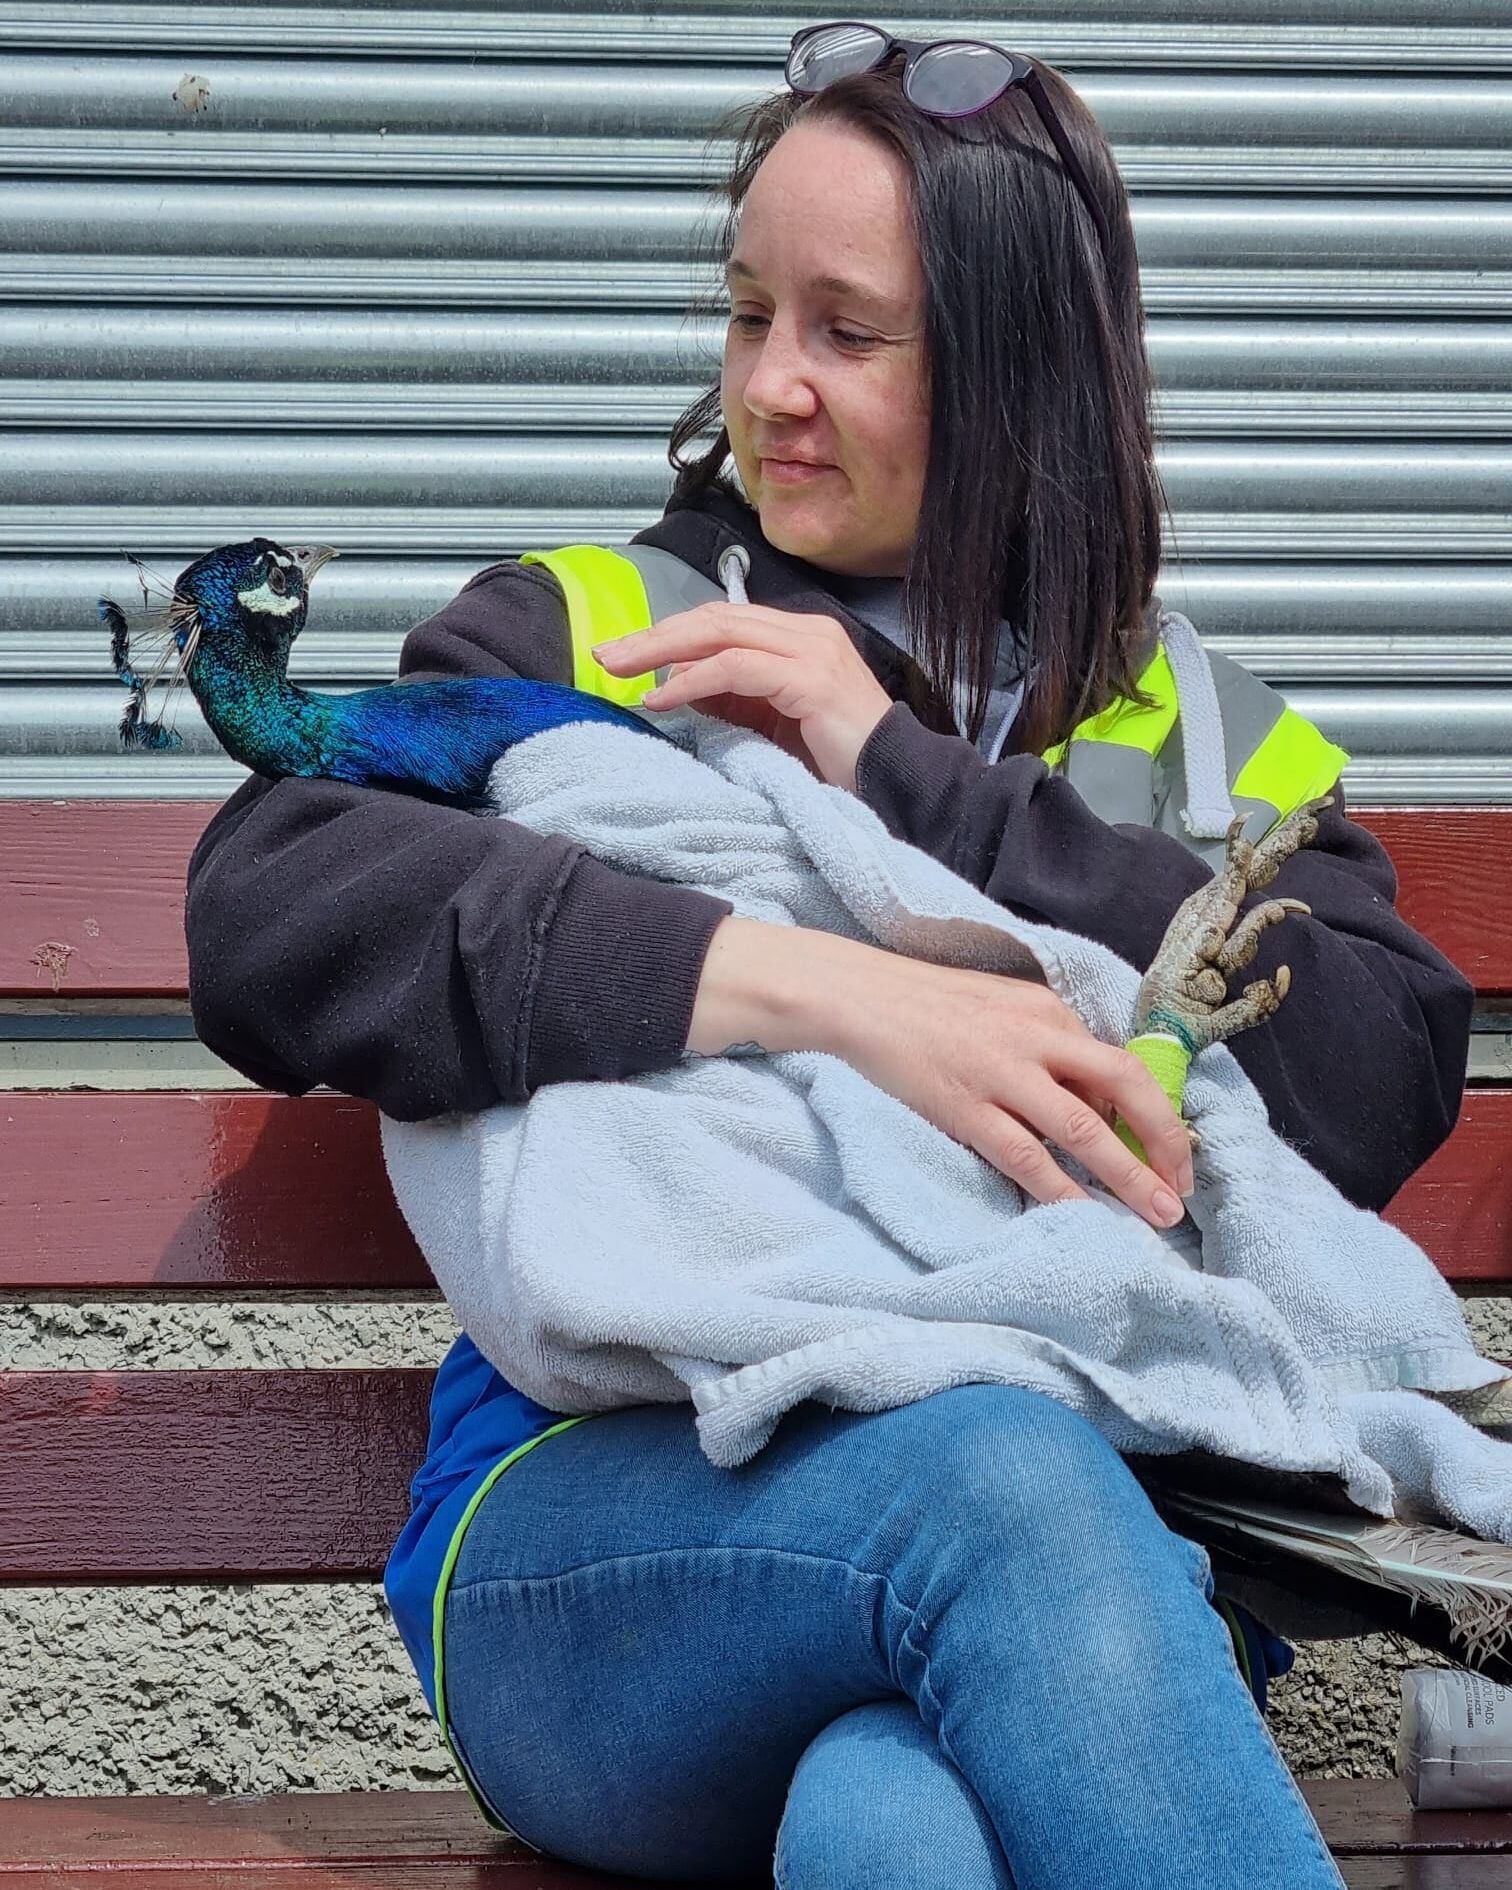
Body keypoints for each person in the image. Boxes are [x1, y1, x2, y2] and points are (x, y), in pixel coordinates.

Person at [185, 25, 1472, 1888]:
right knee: (996, 1468)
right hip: (613, 1549)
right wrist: (846, 992)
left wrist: (897, 768)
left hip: (1105, 1585)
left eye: (848, 333)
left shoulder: (1207, 745)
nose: (772, 385)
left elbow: (1366, 1080)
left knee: (898, 1827)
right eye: (747, 315)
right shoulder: (604, 629)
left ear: (1021, 372)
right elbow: (273, 904)